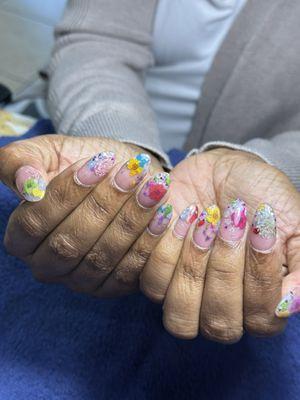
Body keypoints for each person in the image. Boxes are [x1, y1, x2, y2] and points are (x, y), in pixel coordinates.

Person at [0, 0, 300, 343]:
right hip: (98, 137)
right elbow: (94, 43)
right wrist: (123, 147)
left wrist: (265, 163)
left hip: (250, 176)